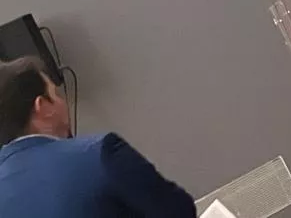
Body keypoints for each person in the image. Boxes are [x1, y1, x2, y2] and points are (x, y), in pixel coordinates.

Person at [0, 57, 196, 217]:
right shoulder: (100, 153)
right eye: (56, 93)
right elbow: (180, 212)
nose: (63, 102)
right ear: (42, 106)